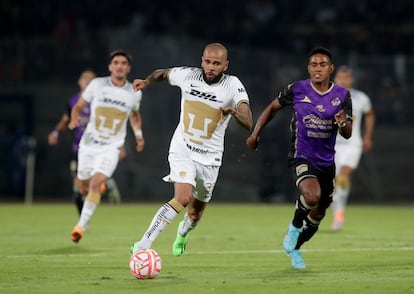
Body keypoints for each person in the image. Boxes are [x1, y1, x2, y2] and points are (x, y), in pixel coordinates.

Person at [129, 43, 253, 256]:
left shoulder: (232, 85)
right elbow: (162, 73)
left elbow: (248, 121)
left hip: (210, 158)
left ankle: (183, 232)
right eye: (207, 61)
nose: (211, 67)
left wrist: (234, 112)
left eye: (216, 63)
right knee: (183, 197)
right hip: (183, 148)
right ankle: (142, 245)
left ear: (226, 65)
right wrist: (147, 81)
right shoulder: (188, 75)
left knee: (195, 214)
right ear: (202, 60)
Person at [246, 47, 352, 269]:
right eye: (314, 64)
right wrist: (255, 133)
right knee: (312, 196)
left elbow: (347, 133)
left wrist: (343, 123)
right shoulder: (297, 89)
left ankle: (295, 249)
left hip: (326, 162)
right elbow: (272, 108)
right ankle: (294, 227)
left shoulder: (342, 96)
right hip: (301, 154)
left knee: (318, 214)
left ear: (330, 68)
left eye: (323, 64)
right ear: (309, 68)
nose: (318, 68)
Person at [69, 50, 145, 243]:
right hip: (88, 144)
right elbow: (78, 106)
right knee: (83, 186)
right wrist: (74, 117)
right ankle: (103, 186)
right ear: (110, 67)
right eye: (116, 62)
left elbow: (135, 115)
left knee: (94, 184)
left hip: (111, 147)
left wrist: (138, 135)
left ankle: (81, 225)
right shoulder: (97, 85)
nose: (119, 66)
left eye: (123, 63)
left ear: (128, 68)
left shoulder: (134, 92)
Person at [47, 69, 124, 216]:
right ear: (79, 81)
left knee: (91, 180)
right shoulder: (74, 101)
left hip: (101, 147)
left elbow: (114, 126)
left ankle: (105, 185)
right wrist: (56, 132)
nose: (88, 81)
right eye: (85, 78)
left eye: (92, 79)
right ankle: (101, 192)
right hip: (80, 148)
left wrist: (119, 146)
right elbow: (65, 120)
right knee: (79, 187)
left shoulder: (102, 101)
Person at [331, 66, 375, 231]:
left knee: (343, 176)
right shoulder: (328, 97)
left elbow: (370, 114)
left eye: (346, 77)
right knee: (334, 184)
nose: (343, 80)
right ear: (335, 79)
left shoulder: (360, 98)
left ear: (351, 79)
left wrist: (368, 136)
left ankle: (338, 215)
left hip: (352, 144)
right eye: (340, 77)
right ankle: (338, 212)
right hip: (332, 145)